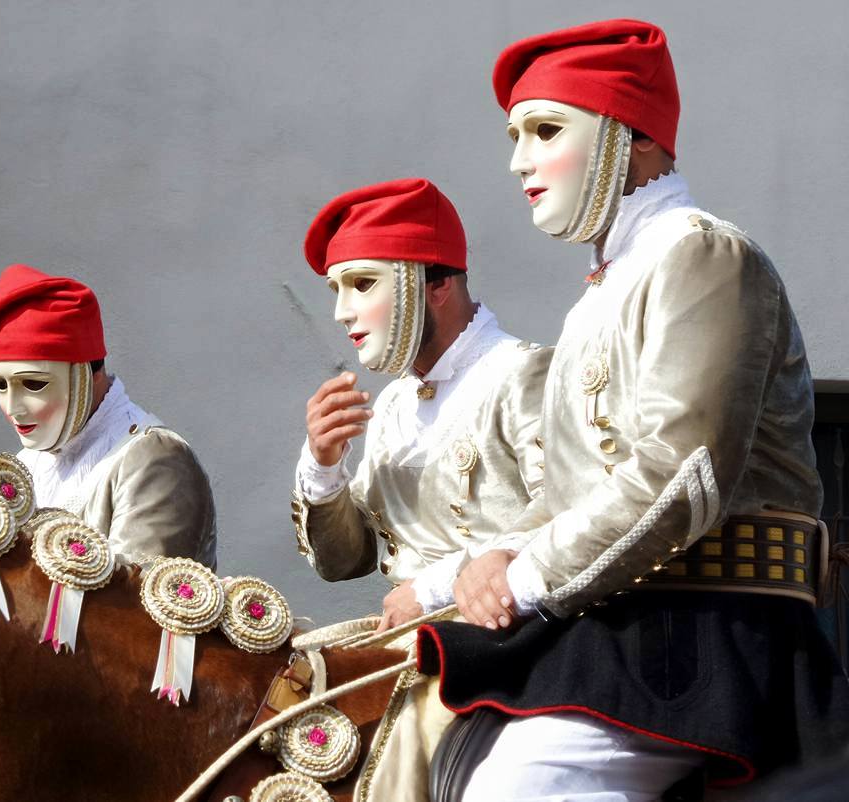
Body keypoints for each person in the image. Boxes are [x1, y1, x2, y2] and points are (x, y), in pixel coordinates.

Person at [414, 19, 849, 801]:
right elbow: (566, 498)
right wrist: (463, 575)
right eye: (517, 136)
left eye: (546, 130)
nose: (520, 161)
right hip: (623, 623)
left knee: (522, 790)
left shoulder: (703, 253)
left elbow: (680, 476)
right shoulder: (603, 291)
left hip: (708, 632)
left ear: (634, 136)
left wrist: (525, 576)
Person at [292, 177, 551, 800]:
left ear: (437, 286)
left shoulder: (526, 374)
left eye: (362, 284)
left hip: (509, 643)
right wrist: (322, 465)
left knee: (400, 741)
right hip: (410, 642)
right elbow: (342, 560)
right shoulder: (394, 407)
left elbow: (565, 516)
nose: (341, 312)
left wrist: (432, 590)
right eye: (336, 290)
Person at [0, 263, 216, 566]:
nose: (12, 407)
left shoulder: (153, 460)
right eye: (0, 384)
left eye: (34, 383)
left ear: (88, 374)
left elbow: (131, 605)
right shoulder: (29, 464)